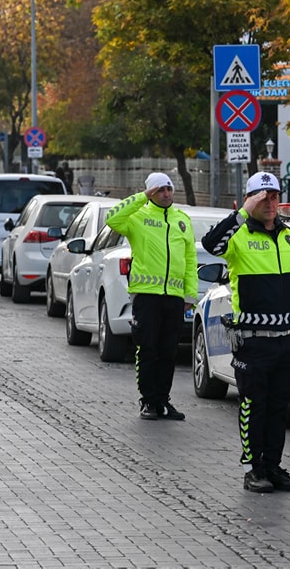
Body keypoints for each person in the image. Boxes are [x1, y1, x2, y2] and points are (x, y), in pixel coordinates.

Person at [201, 171, 290, 493]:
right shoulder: (237, 235)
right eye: (263, 197)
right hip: (253, 341)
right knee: (254, 406)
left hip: (285, 341)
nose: (270, 202)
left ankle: (274, 466)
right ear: (250, 200)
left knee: (279, 407)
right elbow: (211, 244)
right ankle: (254, 468)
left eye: (274, 196)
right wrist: (242, 212)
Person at [105, 172, 197, 421]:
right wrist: (142, 197)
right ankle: (147, 401)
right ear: (151, 193)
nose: (166, 194)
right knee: (148, 350)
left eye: (168, 189)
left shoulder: (182, 220)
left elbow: (189, 259)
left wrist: (190, 294)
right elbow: (112, 218)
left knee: (168, 352)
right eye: (160, 190)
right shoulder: (137, 217)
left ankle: (163, 401)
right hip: (146, 297)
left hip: (174, 297)